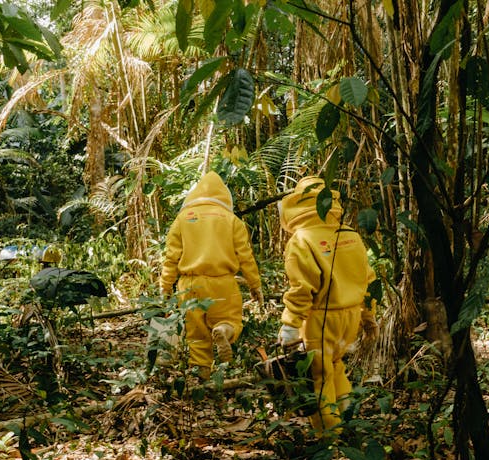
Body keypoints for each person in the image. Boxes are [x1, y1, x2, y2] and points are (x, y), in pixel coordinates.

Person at [277, 176, 377, 437]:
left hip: (321, 321)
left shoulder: (302, 239)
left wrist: (290, 324)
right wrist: (369, 317)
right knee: (336, 366)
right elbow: (368, 280)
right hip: (351, 317)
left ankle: (330, 441)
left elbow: (301, 288)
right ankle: (348, 424)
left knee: (318, 380)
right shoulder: (350, 235)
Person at [160, 171, 263, 379]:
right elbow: (246, 257)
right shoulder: (232, 220)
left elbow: (171, 258)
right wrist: (255, 285)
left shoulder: (182, 219)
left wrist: (165, 287)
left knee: (196, 335)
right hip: (223, 283)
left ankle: (202, 375)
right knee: (231, 320)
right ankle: (224, 330)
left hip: (189, 286)